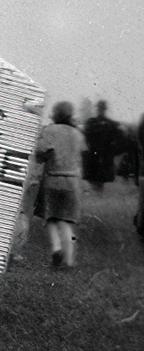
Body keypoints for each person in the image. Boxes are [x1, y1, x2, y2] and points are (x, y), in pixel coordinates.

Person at [32, 101, 86, 270]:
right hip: (72, 182)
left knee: (51, 217)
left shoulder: (50, 131)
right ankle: (69, 260)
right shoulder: (78, 134)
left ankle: (56, 248)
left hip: (52, 180)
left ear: (55, 114)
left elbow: (40, 154)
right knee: (66, 221)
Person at [82, 100, 122, 193]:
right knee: (97, 178)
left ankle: (97, 192)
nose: (100, 110)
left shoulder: (93, 122)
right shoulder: (111, 123)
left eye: (101, 108)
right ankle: (97, 192)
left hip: (100, 154)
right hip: (98, 154)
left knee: (98, 178)